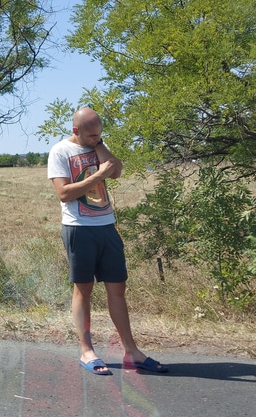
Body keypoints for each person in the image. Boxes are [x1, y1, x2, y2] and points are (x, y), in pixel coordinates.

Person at [47, 107, 168, 375]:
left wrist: (100, 146)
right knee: (83, 289)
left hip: (106, 226)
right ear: (76, 130)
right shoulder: (60, 151)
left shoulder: (98, 146)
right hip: (78, 228)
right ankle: (87, 351)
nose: (96, 139)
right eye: (92, 135)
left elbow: (117, 171)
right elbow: (63, 193)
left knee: (118, 288)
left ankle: (131, 351)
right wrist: (98, 175)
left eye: (99, 134)